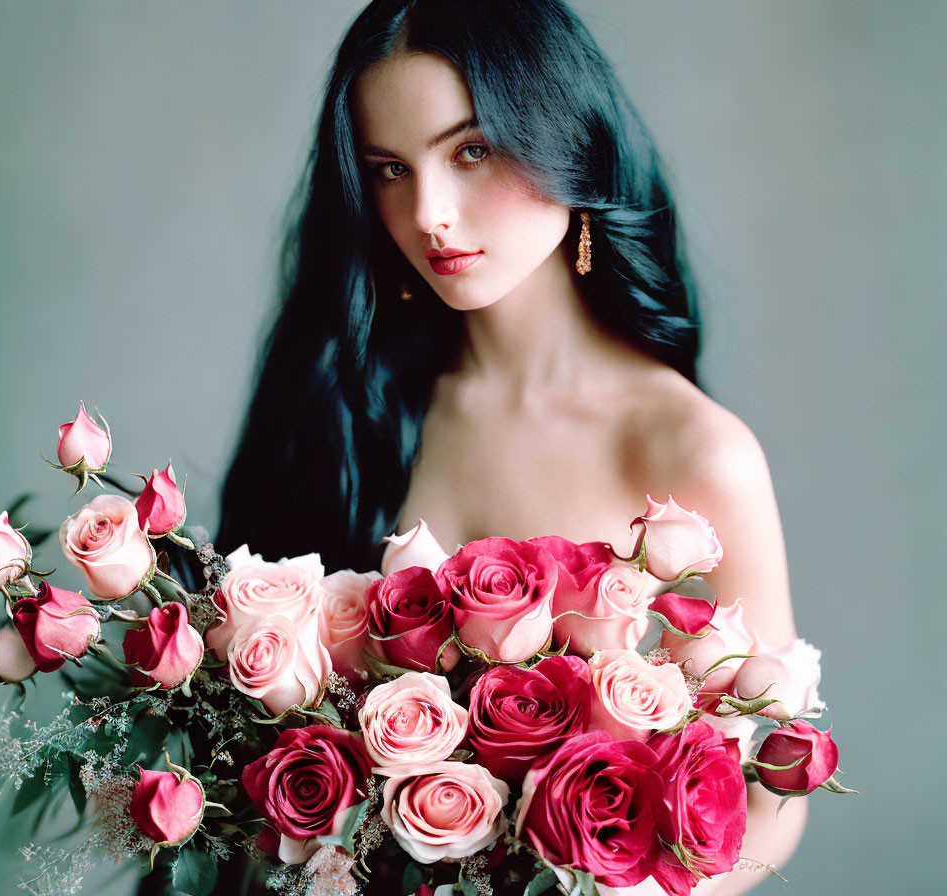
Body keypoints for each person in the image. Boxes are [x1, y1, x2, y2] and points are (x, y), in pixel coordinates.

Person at [157, 1, 807, 893]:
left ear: (568, 138)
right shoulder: (343, 403)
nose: (429, 213)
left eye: (471, 150)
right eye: (390, 169)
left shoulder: (695, 455)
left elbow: (776, 793)